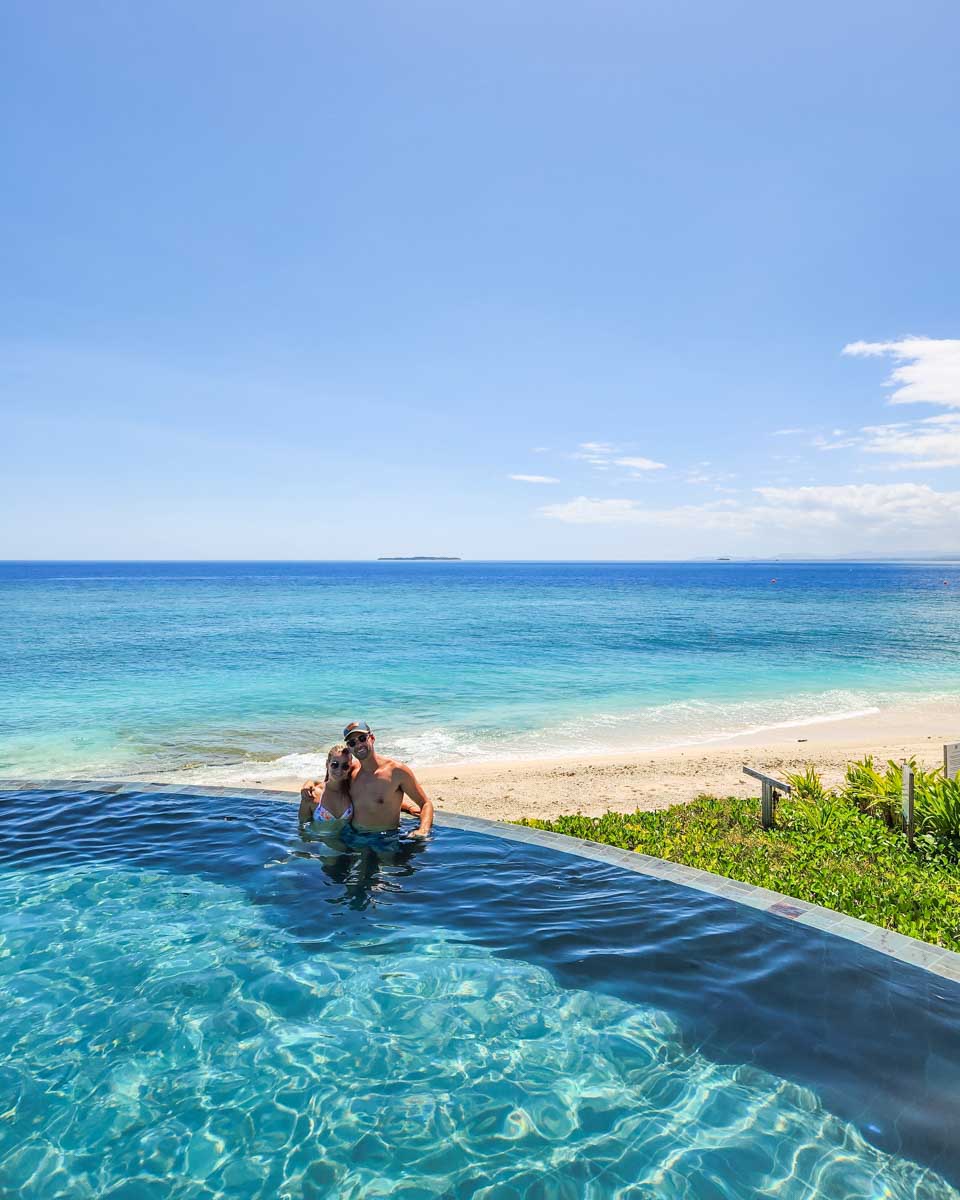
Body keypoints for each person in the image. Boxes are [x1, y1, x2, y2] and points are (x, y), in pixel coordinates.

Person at [342, 720, 434, 838]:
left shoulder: (397, 771)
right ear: (349, 748)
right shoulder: (350, 771)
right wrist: (311, 783)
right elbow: (372, 799)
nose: (358, 745)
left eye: (362, 738)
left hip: (386, 840)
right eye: (352, 743)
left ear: (372, 738)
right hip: (355, 838)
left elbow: (426, 803)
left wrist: (423, 830)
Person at [299, 743, 355, 826]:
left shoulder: (352, 793)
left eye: (345, 766)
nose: (339, 770)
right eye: (335, 764)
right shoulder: (313, 795)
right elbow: (302, 828)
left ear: (349, 768)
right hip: (318, 839)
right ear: (327, 764)